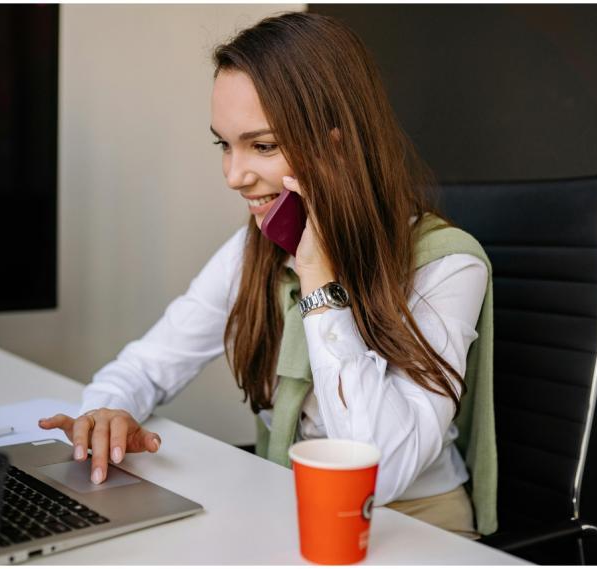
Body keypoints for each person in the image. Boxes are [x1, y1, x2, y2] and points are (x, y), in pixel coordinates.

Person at [39, 11, 495, 538]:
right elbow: (148, 364)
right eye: (224, 145)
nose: (234, 176)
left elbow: (381, 470)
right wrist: (106, 411)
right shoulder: (253, 250)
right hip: (288, 507)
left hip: (412, 527)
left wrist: (319, 280)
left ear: (337, 145)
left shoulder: (446, 266)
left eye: (262, 146)